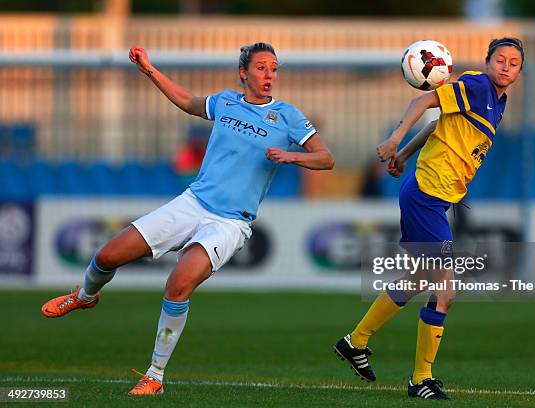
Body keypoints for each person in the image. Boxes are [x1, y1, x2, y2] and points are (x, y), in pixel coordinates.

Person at [41, 42, 334, 395]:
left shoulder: (288, 116)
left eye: (274, 67)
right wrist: (149, 70)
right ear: (244, 73)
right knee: (107, 256)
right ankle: (85, 296)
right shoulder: (225, 101)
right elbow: (185, 101)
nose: (269, 74)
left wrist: (291, 156)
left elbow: (326, 158)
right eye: (261, 68)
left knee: (178, 284)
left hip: (230, 222)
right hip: (192, 203)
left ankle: (155, 375)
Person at [333, 38, 524, 400]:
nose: (505, 67)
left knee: (421, 276)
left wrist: (403, 153)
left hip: (434, 197)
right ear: (487, 62)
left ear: (518, 71)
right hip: (427, 195)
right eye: (500, 59)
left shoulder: (497, 100)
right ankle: (421, 379)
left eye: (514, 63)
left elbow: (440, 125)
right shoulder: (476, 84)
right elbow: (422, 100)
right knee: (446, 290)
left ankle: (354, 341)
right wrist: (394, 138)